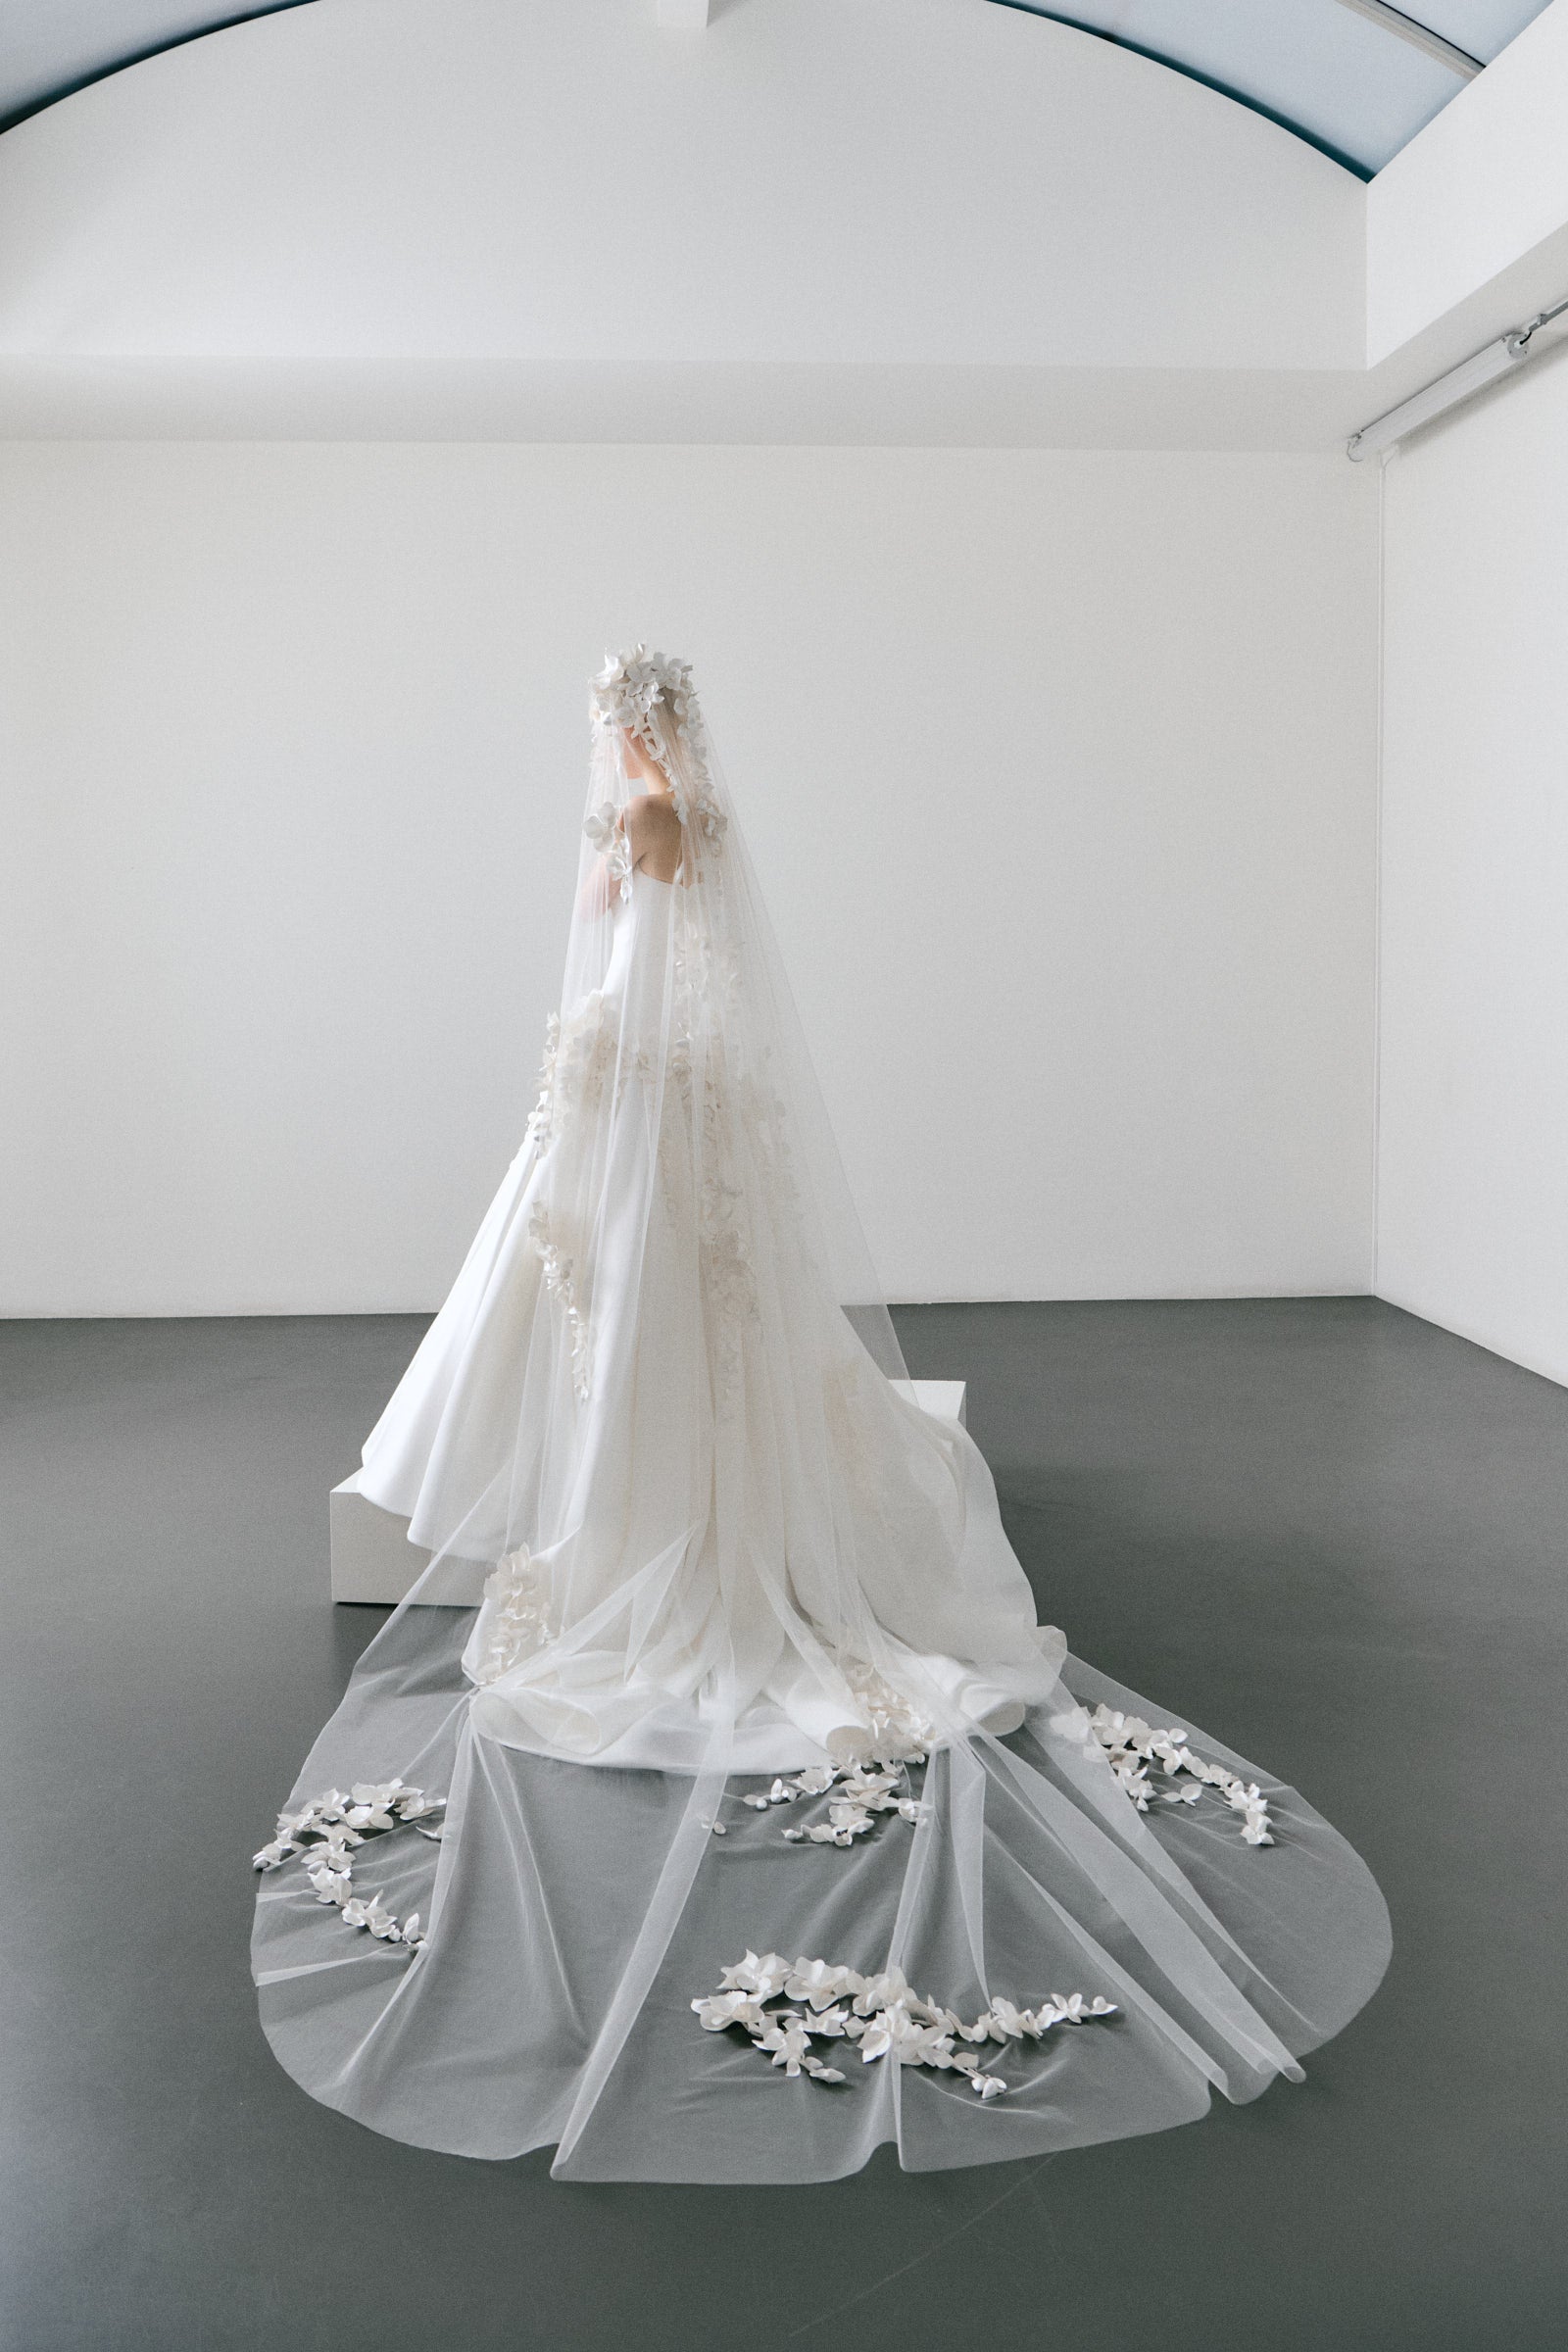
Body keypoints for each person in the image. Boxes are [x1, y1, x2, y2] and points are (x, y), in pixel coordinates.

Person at [252, 648, 1390, 2182]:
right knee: (671, 1326)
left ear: (637, 725)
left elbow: (635, 971)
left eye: (615, 726)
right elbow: (650, 952)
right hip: (663, 1091)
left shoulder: (654, 823)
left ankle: (676, 1521)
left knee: (644, 1314)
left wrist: (599, 1059)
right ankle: (670, 1493)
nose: (609, 747)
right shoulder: (681, 818)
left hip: (647, 1090)